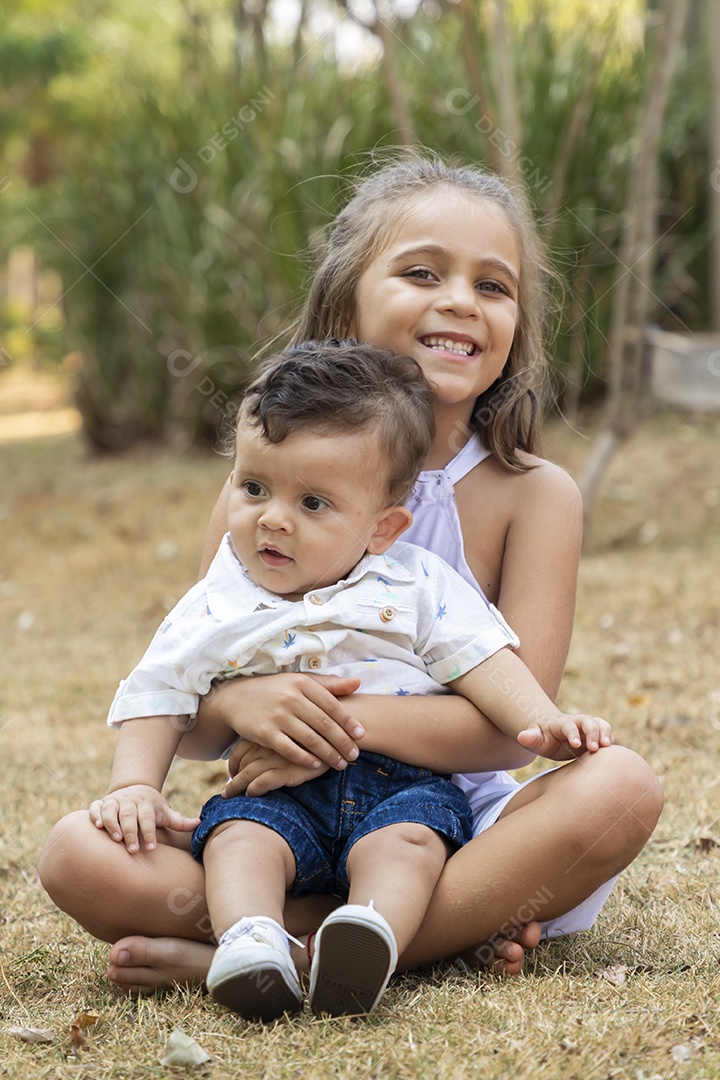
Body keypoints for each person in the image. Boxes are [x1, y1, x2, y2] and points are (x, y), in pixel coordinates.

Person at [38, 153, 663, 997]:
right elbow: (195, 694)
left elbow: (507, 730)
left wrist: (340, 726)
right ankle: (394, 938)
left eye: (493, 285)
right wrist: (239, 705)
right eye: (422, 273)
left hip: (459, 829)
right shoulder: (260, 497)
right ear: (345, 303)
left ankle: (287, 950)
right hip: (277, 822)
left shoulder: (534, 495)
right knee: (76, 854)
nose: (460, 301)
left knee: (620, 788)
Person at [94, 341, 612, 1021]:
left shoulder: (415, 584)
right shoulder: (220, 598)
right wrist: (134, 784)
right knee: (234, 842)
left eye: (312, 503)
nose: (272, 518)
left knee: (409, 846)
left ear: (383, 529)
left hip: (402, 786)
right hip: (275, 793)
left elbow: (482, 660)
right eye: (253, 489)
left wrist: (543, 721)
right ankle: (251, 940)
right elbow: (162, 690)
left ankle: (360, 940)